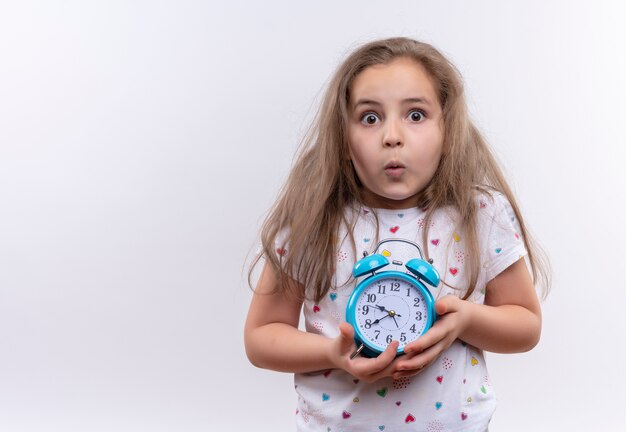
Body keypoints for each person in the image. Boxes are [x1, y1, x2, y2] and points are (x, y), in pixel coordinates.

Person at [244, 37, 550, 431]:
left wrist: (466, 320)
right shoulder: (313, 221)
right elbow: (262, 336)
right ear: (343, 139)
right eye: (370, 118)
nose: (392, 135)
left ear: (447, 129)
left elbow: (525, 325)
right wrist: (333, 354)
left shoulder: (478, 215)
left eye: (416, 115)